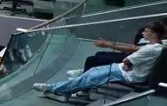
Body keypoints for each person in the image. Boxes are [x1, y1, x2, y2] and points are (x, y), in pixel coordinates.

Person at [35, 21, 164, 101]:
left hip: (130, 76)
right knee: (91, 72)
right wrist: (126, 64)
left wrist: (126, 63)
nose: (143, 34)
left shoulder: (149, 49)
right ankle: (66, 90)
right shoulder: (159, 45)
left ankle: (53, 88)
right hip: (123, 69)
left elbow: (126, 60)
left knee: (88, 78)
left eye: (146, 32)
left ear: (154, 35)